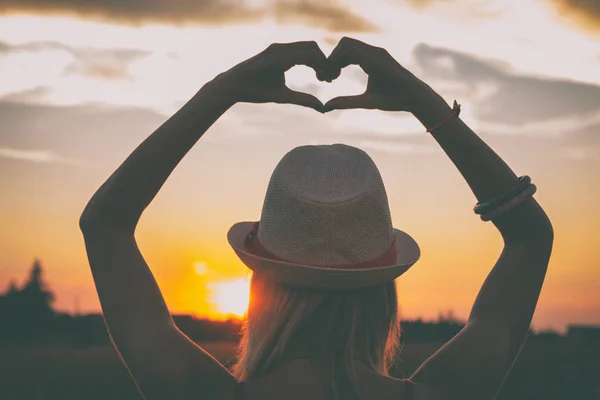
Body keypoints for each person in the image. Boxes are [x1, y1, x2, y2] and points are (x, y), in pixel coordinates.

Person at [79, 38, 554, 400]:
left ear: (262, 286)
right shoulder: (445, 391)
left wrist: (222, 92)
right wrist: (423, 102)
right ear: (382, 285)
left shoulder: (193, 389)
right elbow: (530, 239)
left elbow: (106, 224)